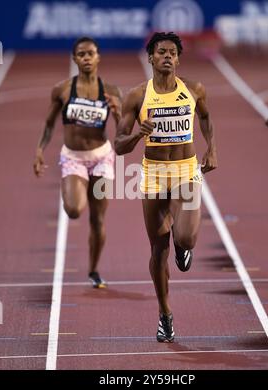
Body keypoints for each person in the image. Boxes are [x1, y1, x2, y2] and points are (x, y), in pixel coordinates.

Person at [115, 32, 217, 342]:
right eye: (161, 52)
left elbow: (206, 117)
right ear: (150, 57)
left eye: (173, 52)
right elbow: (118, 146)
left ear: (178, 58)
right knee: (158, 250)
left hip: (186, 171)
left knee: (184, 237)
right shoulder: (136, 96)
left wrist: (211, 147)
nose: (168, 57)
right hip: (154, 175)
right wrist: (137, 135)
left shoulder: (194, 89)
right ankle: (165, 314)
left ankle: (184, 248)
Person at [33, 37, 122, 288]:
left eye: (90, 53)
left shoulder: (112, 91)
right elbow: (49, 123)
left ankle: (94, 269)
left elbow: (124, 130)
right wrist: (40, 149)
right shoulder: (62, 90)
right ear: (74, 59)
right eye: (81, 54)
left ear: (98, 57)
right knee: (73, 209)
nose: (86, 58)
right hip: (74, 158)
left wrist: (117, 114)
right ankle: (76, 190)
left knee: (98, 220)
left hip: (102, 157)